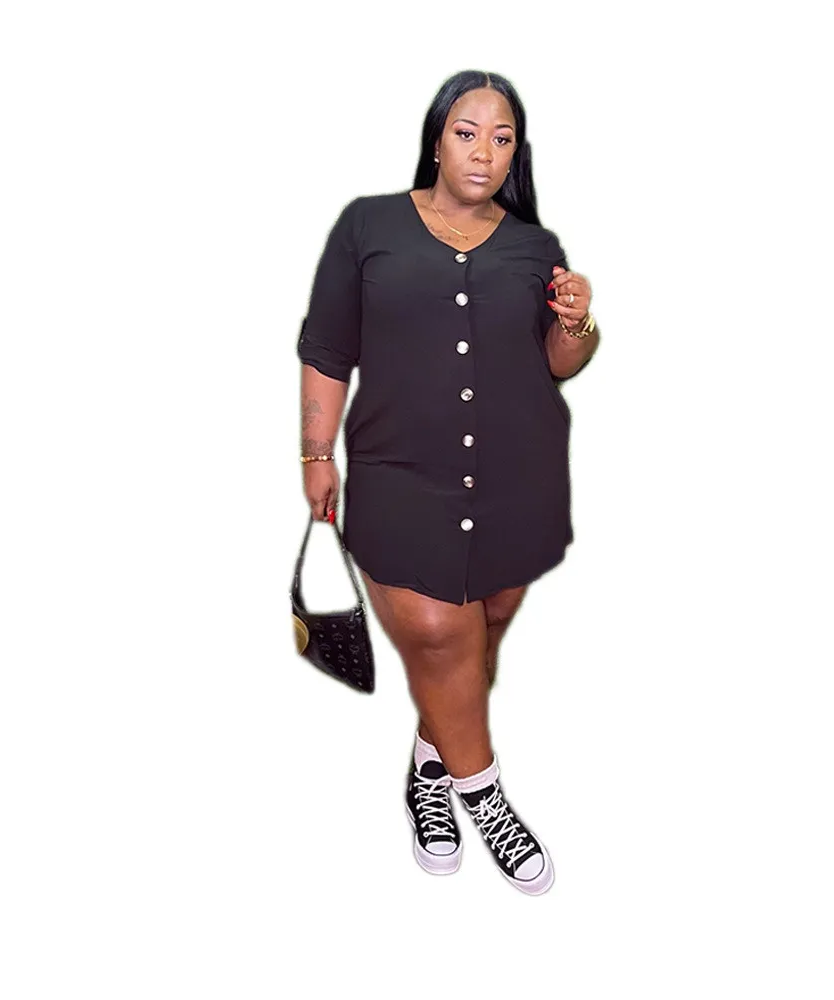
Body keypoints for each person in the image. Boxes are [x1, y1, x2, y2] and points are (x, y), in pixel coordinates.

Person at [297, 69, 600, 895]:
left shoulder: (535, 245)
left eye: (503, 139)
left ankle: (430, 768)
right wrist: (316, 454)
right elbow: (327, 347)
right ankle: (482, 793)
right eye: (468, 133)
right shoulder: (368, 225)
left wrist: (576, 320)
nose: (484, 152)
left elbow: (559, 363)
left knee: (484, 631)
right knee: (438, 632)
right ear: (437, 139)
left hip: (520, 475)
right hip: (400, 473)